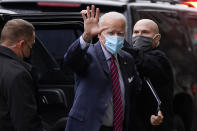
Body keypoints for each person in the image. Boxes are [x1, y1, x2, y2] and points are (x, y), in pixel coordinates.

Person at [64, 5, 163, 131]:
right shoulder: (88, 54)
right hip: (90, 126)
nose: (115, 37)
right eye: (111, 33)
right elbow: (70, 60)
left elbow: (136, 93)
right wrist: (86, 36)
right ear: (99, 34)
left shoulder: (127, 59)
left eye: (120, 33)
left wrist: (151, 112)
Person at [123, 19, 174, 131]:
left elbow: (142, 62)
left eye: (145, 32)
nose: (139, 36)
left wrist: (119, 41)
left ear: (156, 38)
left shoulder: (159, 58)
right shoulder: (126, 59)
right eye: (136, 32)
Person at [0, 19, 45, 131]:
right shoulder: (18, 75)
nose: (30, 51)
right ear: (22, 44)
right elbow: (26, 124)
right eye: (31, 46)